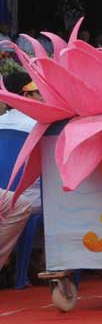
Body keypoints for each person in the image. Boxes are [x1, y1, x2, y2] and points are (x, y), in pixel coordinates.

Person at [0, 72, 43, 279]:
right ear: (25, 95)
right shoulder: (40, 124)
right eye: (37, 92)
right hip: (30, 198)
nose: (42, 97)